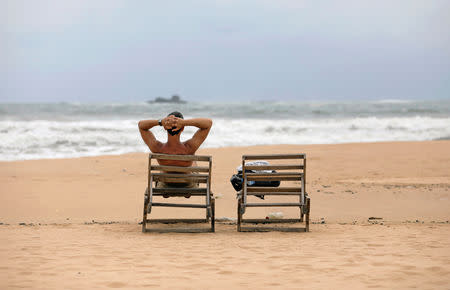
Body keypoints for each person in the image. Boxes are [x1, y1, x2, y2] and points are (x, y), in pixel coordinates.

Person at [138, 112, 212, 191]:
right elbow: (208, 123)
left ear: (165, 127)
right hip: (187, 185)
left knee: (163, 168)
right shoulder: (190, 148)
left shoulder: (158, 148)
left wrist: (160, 122)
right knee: (193, 161)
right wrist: (184, 123)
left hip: (166, 184)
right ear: (182, 128)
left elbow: (141, 125)